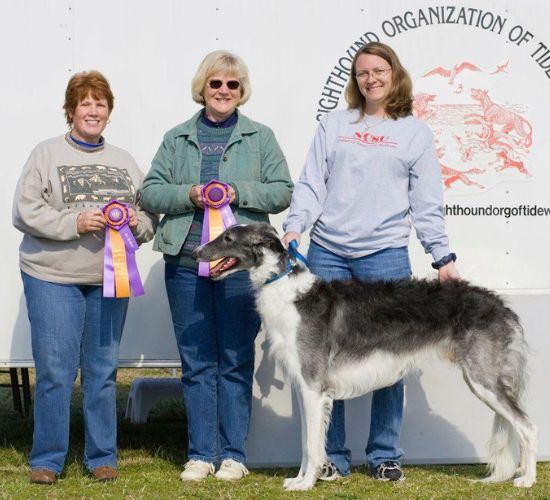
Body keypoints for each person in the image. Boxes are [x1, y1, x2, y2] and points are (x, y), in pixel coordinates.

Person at [282, 42, 460, 482]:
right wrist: (294, 225)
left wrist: (443, 257)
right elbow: (311, 183)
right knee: (323, 359)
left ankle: (385, 454)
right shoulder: (334, 124)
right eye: (363, 73)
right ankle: (332, 458)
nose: (371, 79)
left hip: (385, 256)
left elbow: (426, 202)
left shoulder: (414, 133)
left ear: (394, 75)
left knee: (393, 357)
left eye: (379, 71)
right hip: (328, 252)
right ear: (355, 80)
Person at [140, 50, 293, 481]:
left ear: (242, 92)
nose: (224, 91)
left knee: (235, 356)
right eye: (216, 83)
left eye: (232, 85)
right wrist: (191, 193)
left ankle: (233, 455)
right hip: (186, 264)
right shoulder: (176, 138)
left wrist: (234, 189)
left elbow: (282, 191)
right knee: (196, 361)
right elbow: (150, 192)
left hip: (239, 269)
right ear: (202, 88)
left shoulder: (260, 138)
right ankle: (200, 453)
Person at [13, 70, 157, 485]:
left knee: (102, 370)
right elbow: (25, 211)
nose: (93, 110)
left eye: (100, 104)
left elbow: (149, 219)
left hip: (109, 281)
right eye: (85, 103)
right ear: (71, 110)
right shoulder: (46, 154)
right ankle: (48, 458)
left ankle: (102, 456)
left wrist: (134, 220)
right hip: (51, 277)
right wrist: (74, 221)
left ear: (109, 112)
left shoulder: (126, 162)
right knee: (56, 371)